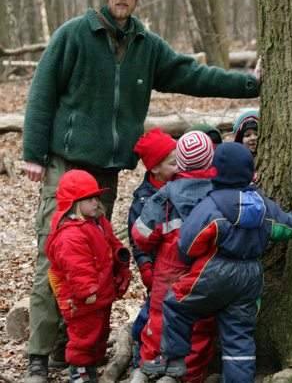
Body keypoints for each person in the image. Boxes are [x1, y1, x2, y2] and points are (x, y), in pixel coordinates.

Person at [22, 0, 261, 382]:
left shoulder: (145, 45)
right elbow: (42, 90)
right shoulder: (75, 35)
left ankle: (71, 351)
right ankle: (40, 357)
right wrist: (32, 153)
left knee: (93, 260)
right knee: (54, 255)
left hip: (106, 174)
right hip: (65, 163)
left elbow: (190, 73)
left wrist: (248, 84)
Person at [140, 142, 292, 383]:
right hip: (251, 275)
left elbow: (188, 244)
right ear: (250, 172)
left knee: (175, 303)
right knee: (239, 332)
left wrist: (188, 260)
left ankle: (173, 360)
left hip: (214, 268)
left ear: (215, 172)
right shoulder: (261, 203)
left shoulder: (211, 206)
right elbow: (285, 229)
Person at [132, 131, 217, 382]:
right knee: (198, 324)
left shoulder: (164, 195)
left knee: (159, 317)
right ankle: (185, 376)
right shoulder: (218, 190)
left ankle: (148, 369)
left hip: (168, 270)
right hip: (204, 269)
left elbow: (141, 236)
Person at [45, 170, 131, 383]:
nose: (96, 202)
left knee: (100, 331)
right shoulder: (70, 233)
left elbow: (113, 244)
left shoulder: (99, 222)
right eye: (90, 198)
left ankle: (93, 361)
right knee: (84, 335)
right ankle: (81, 371)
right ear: (74, 203)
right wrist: (86, 289)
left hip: (100, 293)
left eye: (96, 197)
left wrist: (121, 263)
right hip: (81, 299)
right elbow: (76, 266)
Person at [128, 128, 178, 367]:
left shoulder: (183, 184)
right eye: (172, 162)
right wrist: (145, 266)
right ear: (155, 168)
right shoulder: (143, 200)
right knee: (151, 316)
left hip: (181, 268)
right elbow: (136, 238)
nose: (180, 165)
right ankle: (141, 358)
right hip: (158, 271)